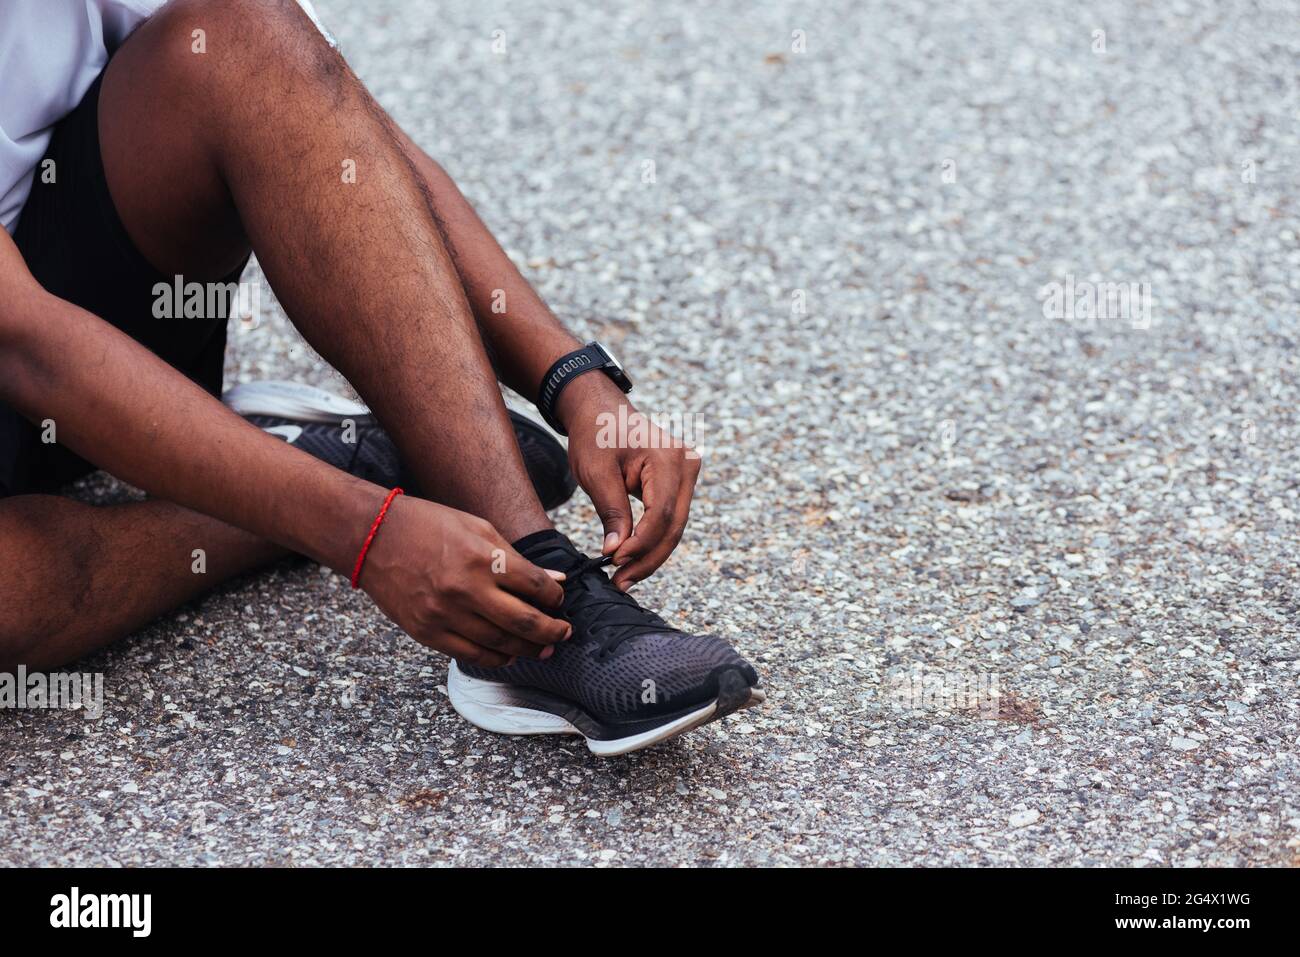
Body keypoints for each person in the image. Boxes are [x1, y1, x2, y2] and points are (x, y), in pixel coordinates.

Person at [0, 0, 761, 755]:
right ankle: (314, 469)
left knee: (244, 36)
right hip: (27, 342)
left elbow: (332, 123)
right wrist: (365, 531)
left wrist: (575, 381)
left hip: (83, 312)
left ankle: (534, 591)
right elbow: (23, 343)